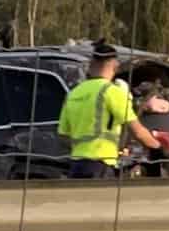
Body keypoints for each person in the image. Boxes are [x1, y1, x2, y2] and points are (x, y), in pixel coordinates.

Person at [58, 41, 163, 178]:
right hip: (101, 166)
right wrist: (157, 148)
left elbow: (63, 135)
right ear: (115, 65)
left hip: (76, 166)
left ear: (91, 65)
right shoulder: (111, 91)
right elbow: (137, 131)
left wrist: (83, 148)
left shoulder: (74, 93)